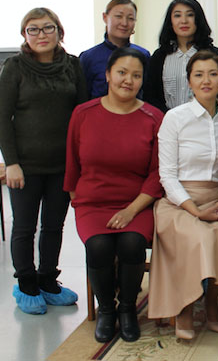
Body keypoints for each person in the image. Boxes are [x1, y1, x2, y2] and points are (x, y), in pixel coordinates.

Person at [148, 50, 218, 340]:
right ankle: (185, 305)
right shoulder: (175, 118)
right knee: (198, 237)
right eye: (198, 75)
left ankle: (210, 300)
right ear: (189, 82)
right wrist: (194, 210)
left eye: (213, 74)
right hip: (179, 201)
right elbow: (167, 175)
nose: (206, 80)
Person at [64, 47, 163, 342]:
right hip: (92, 203)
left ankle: (127, 308)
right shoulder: (83, 114)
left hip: (138, 203)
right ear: (107, 75)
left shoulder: (153, 117)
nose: (128, 80)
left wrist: (132, 210)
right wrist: (77, 200)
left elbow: (157, 173)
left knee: (132, 243)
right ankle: (106, 309)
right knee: (99, 246)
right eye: (122, 72)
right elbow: (72, 162)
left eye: (136, 75)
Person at [0, 7, 86, 315]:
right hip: (25, 166)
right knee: (24, 227)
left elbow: (82, 115)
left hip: (62, 165)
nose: (41, 35)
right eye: (33, 29)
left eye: (48, 28)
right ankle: (26, 284)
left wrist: (80, 163)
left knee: (54, 226)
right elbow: (2, 118)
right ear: (24, 35)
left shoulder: (72, 65)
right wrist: (11, 162)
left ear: (59, 32)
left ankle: (48, 280)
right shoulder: (15, 67)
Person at [143, 0, 218, 112]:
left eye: (190, 15)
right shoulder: (159, 56)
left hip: (206, 118)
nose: (184, 21)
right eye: (177, 15)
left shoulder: (213, 54)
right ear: (170, 21)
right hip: (167, 119)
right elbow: (150, 96)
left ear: (198, 19)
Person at [80, 0, 151, 99]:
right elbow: (83, 97)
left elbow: (148, 94)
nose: (124, 23)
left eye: (130, 18)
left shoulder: (143, 55)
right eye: (118, 16)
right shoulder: (89, 57)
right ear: (105, 17)